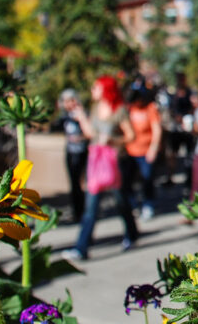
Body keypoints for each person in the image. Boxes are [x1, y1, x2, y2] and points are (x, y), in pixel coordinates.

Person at [65, 76, 139, 261]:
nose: (93, 90)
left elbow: (131, 135)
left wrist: (114, 140)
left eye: (96, 87)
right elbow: (91, 133)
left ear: (106, 89)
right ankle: (82, 247)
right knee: (92, 204)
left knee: (121, 201)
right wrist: (82, 117)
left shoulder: (120, 111)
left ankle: (132, 233)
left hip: (115, 162)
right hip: (97, 161)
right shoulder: (96, 108)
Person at [124, 87, 163, 221]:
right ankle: (133, 204)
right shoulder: (129, 109)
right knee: (127, 180)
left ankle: (148, 204)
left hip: (146, 150)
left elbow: (157, 130)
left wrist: (153, 148)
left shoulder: (150, 108)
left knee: (147, 178)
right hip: (130, 150)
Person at [53, 89, 88, 224]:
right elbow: (54, 127)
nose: (69, 104)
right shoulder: (65, 116)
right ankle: (77, 211)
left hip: (83, 151)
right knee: (74, 183)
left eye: (71, 100)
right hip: (71, 151)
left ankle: (85, 210)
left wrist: (82, 137)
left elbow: (91, 132)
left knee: (83, 182)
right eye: (66, 101)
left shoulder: (82, 114)